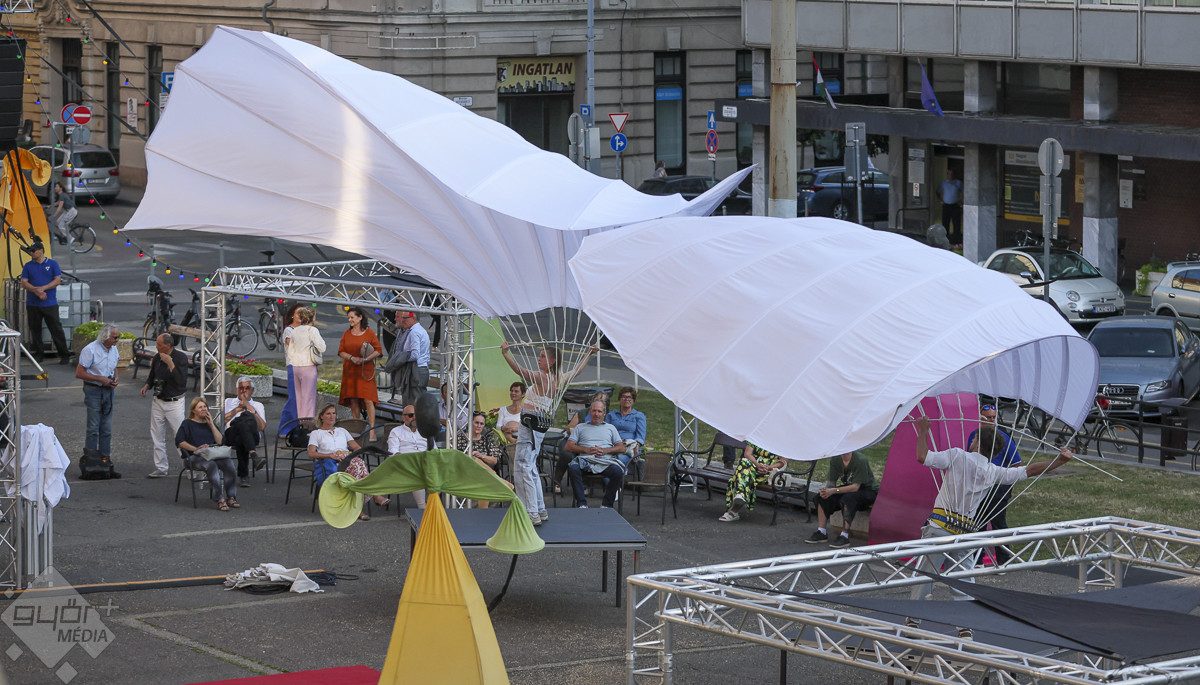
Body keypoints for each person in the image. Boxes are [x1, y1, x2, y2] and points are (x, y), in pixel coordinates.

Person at [908, 415, 1073, 638]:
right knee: (964, 581)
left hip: (939, 527)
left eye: (974, 438)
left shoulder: (957, 455)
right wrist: (1060, 461)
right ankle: (965, 627)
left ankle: (913, 621)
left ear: (977, 442)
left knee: (926, 576)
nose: (972, 440)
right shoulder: (993, 471)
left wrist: (923, 431)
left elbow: (922, 456)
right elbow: (1029, 470)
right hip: (965, 533)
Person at [500, 340, 597, 526]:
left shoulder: (542, 377)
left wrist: (506, 354)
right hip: (537, 425)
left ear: (552, 361)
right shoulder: (558, 379)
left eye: (543, 356)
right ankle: (539, 509)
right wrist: (589, 354)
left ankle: (531, 512)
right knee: (530, 467)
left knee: (524, 466)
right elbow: (577, 370)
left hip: (530, 424)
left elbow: (521, 371)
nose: (539, 359)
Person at [308, 404, 390, 520]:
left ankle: (358, 508)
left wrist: (350, 455)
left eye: (334, 413)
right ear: (321, 416)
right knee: (358, 468)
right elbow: (311, 453)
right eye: (328, 414)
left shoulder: (342, 431)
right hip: (330, 462)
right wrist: (329, 455)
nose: (332, 416)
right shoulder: (316, 433)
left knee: (358, 463)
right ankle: (373, 497)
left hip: (347, 460)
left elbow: (356, 447)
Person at [967, 402, 1023, 565]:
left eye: (993, 417)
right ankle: (977, 560)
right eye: (988, 418)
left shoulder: (1003, 438)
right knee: (977, 523)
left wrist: (1005, 482)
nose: (992, 420)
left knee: (998, 524)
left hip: (998, 487)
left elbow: (1016, 463)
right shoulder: (973, 436)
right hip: (979, 485)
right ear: (980, 419)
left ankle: (1003, 560)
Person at [175, 398, 239, 511]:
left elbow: (220, 442)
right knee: (211, 465)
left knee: (228, 463)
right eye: (200, 407)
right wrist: (196, 449)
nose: (204, 409)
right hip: (193, 456)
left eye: (205, 407)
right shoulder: (187, 423)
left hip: (210, 454)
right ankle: (220, 499)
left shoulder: (209, 424)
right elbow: (180, 442)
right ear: (193, 410)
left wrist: (211, 425)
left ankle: (231, 497)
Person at [140, 333, 188, 478]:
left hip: (174, 403)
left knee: (180, 436)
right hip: (158, 401)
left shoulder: (180, 358)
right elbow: (153, 375)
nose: (157, 347)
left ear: (168, 345)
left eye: (159, 344)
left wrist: (170, 364)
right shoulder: (157, 357)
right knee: (157, 435)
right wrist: (147, 385)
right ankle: (161, 467)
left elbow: (181, 381)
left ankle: (191, 467)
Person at [805, 451, 877, 548]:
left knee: (847, 499)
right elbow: (831, 483)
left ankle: (844, 535)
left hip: (868, 490)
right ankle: (821, 532)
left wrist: (834, 490)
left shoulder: (860, 460)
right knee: (821, 497)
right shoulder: (835, 459)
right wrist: (826, 491)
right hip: (849, 488)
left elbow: (855, 487)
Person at [564, 400, 628, 509]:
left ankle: (607, 504)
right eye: (594, 411)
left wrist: (606, 450)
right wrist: (586, 449)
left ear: (604, 413)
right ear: (590, 412)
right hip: (585, 461)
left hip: (604, 462)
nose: (596, 414)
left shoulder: (610, 428)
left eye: (599, 411)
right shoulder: (580, 427)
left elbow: (622, 448)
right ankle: (582, 504)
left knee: (617, 471)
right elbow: (568, 446)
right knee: (573, 468)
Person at [19, 241, 72, 365]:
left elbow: (57, 280)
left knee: (56, 329)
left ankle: (64, 353)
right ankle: (39, 353)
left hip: (49, 303)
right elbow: (24, 282)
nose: (31, 253)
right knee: (35, 329)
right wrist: (36, 290)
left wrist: (43, 288)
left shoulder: (52, 264)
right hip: (33, 303)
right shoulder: (28, 266)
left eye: (34, 251)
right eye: (30, 251)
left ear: (41, 251)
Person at [76, 324, 121, 461]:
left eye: (118, 337)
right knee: (93, 428)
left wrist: (115, 377)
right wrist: (100, 379)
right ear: (106, 337)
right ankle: (91, 460)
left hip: (108, 390)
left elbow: (114, 366)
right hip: (93, 390)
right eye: (115, 337)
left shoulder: (113, 349)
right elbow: (79, 373)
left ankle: (105, 460)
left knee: (106, 428)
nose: (117, 340)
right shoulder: (90, 350)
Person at [337, 307, 382, 440]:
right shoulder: (347, 333)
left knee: (368, 399)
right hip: (351, 371)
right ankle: (357, 428)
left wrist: (366, 359)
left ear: (360, 317)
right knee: (354, 399)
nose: (350, 320)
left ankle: (372, 431)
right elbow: (341, 351)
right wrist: (352, 358)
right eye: (348, 318)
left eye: (352, 317)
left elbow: (378, 350)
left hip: (365, 372)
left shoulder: (369, 333)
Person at [718, 443, 786, 522]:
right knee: (744, 463)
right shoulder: (757, 436)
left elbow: (783, 461)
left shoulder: (780, 440)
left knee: (742, 476)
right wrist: (757, 465)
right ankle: (738, 501)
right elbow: (747, 454)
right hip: (754, 466)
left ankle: (737, 501)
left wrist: (769, 467)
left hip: (769, 472)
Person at [456, 411, 510, 506]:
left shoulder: (487, 440)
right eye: (476, 423)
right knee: (474, 460)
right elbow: (454, 457)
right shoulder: (460, 439)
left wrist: (481, 456)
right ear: (470, 423)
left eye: (482, 424)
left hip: (483, 476)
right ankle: (499, 481)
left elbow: (495, 460)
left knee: (482, 472)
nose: (479, 426)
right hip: (464, 473)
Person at [223, 376, 267, 488]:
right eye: (241, 388)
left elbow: (262, 427)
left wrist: (250, 408)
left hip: (252, 437)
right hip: (231, 434)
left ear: (252, 390)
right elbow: (221, 421)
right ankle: (252, 457)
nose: (244, 390)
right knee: (242, 423)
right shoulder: (228, 402)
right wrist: (238, 409)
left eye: (247, 388)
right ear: (236, 389)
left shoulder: (258, 405)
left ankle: (245, 474)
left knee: (244, 426)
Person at [285, 306, 325, 421]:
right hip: (308, 366)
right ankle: (307, 423)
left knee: (299, 398)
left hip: (296, 366)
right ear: (312, 318)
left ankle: (300, 422)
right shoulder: (312, 330)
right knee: (308, 398)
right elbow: (322, 347)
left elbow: (290, 350)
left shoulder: (295, 330)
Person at [387, 404, 428, 508]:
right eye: (411, 415)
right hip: (407, 464)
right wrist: (406, 460)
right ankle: (422, 507)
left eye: (416, 415)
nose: (414, 417)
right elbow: (393, 451)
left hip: (426, 462)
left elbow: (434, 449)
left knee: (444, 470)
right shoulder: (396, 432)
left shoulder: (425, 431)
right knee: (416, 472)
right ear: (403, 418)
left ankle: (432, 504)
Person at [277, 303, 304, 442]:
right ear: (292, 315)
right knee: (294, 399)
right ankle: (285, 427)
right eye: (298, 313)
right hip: (294, 367)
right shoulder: (289, 330)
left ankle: (300, 427)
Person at [390, 311, 430, 406]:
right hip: (420, 368)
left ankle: (413, 416)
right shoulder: (419, 330)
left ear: (413, 318)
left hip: (416, 370)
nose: (403, 320)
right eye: (402, 318)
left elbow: (415, 355)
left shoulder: (414, 332)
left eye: (405, 318)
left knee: (414, 402)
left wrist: (401, 359)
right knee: (415, 400)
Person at [606, 386, 646, 478]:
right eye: (624, 397)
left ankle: (614, 483)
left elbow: (641, 435)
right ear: (619, 399)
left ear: (633, 400)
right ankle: (613, 484)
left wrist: (637, 446)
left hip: (630, 449)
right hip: (613, 447)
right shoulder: (611, 415)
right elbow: (606, 432)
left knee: (617, 461)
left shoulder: (638, 416)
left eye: (629, 397)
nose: (626, 399)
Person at [937, 168, 963, 244]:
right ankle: (945, 240)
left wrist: (962, 201)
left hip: (955, 206)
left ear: (954, 175)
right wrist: (940, 200)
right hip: (946, 206)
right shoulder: (944, 183)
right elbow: (937, 191)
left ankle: (957, 242)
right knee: (945, 223)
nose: (950, 175)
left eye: (952, 174)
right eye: (949, 174)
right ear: (947, 175)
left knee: (956, 224)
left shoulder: (958, 183)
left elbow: (965, 192)